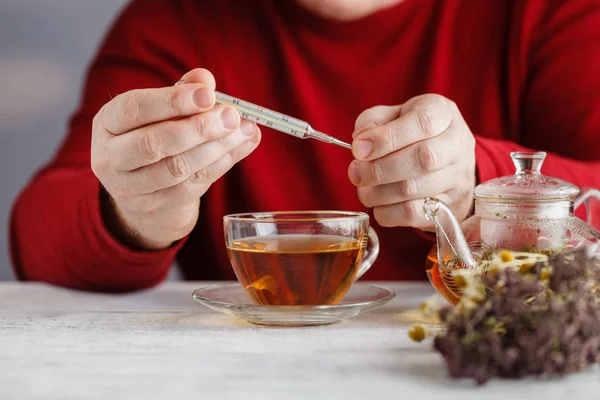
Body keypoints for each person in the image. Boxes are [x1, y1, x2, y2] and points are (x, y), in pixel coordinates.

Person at [9, 0, 600, 292]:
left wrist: (483, 189)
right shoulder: (174, 21)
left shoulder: (549, 13)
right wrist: (131, 210)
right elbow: (39, 237)